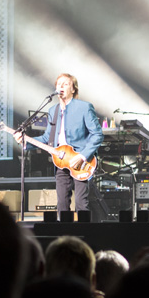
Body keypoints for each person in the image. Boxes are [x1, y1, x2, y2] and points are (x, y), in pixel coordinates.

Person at [26, 73, 102, 215]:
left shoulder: (84, 107)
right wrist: (26, 142)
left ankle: (83, 235)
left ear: (73, 89)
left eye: (65, 84)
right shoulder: (52, 110)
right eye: (58, 84)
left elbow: (97, 134)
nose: (61, 86)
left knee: (81, 203)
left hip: (81, 161)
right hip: (60, 162)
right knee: (61, 203)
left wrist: (83, 156)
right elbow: (47, 139)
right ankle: (63, 234)